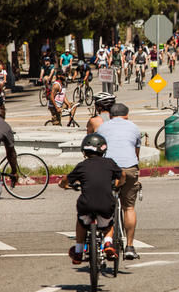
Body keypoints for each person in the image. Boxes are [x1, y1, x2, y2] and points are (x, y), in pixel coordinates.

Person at [58, 134, 124, 264]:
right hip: (105, 204)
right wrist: (118, 183)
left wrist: (64, 185)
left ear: (84, 151)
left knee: (81, 221)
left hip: (86, 205)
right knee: (109, 223)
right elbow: (122, 174)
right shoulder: (109, 163)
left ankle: (78, 250)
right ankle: (108, 243)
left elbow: (66, 179)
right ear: (103, 150)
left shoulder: (82, 166)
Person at [96, 103, 142, 260]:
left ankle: (106, 240)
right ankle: (129, 246)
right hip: (129, 167)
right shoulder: (134, 127)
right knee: (129, 207)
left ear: (110, 116)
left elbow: (98, 151)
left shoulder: (102, 128)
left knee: (103, 205)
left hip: (108, 169)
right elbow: (136, 153)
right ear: (127, 115)